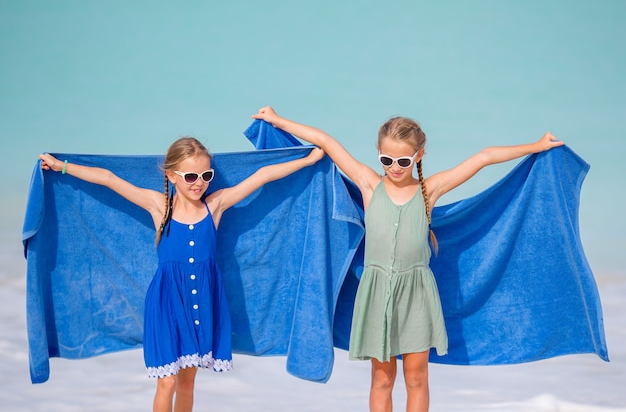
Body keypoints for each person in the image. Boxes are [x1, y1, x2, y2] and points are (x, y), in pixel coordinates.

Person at [252, 106, 564, 412]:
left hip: (417, 294)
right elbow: (327, 141)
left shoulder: (431, 189)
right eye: (386, 159)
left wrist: (536, 146)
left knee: (416, 378)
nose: (395, 166)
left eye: (403, 160)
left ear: (419, 155)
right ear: (378, 152)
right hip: (377, 293)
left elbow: (483, 158)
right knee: (382, 379)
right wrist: (277, 120)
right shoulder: (370, 184)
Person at [39, 138, 324, 412]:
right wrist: (61, 166)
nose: (199, 182)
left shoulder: (216, 205)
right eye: (190, 176)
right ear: (172, 175)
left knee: (187, 384)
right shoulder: (159, 206)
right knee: (167, 382)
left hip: (201, 301)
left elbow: (262, 176)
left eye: (206, 175)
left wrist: (309, 160)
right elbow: (109, 179)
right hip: (166, 302)